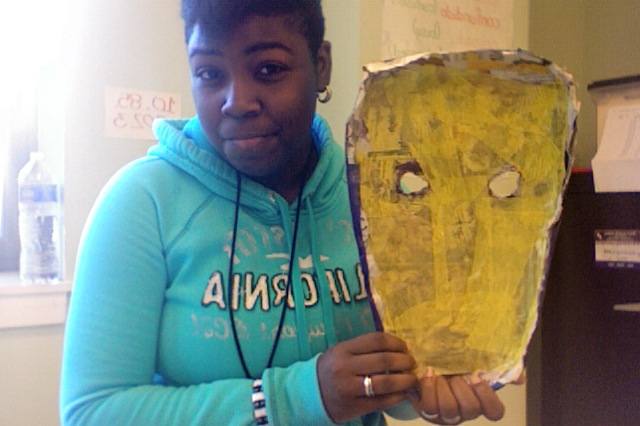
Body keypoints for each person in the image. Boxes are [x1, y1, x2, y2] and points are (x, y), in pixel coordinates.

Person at [60, 1, 511, 424]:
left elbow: (396, 383)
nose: (237, 101)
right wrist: (292, 398)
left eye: (269, 69)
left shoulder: (376, 195)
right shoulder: (142, 203)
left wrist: (429, 391)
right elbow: (92, 412)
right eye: (210, 73)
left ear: (321, 65)